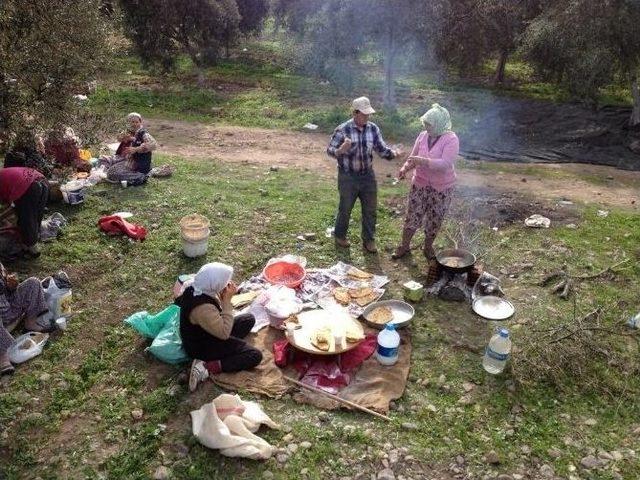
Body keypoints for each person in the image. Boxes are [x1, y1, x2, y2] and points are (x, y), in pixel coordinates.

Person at [326, 96, 400, 253]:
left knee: (370, 209)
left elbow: (381, 149)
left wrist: (393, 153)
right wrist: (340, 150)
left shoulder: (373, 128)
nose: (367, 117)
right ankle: (340, 236)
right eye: (364, 114)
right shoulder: (343, 129)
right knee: (345, 208)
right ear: (355, 112)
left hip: (367, 175)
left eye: (368, 114)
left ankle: (369, 240)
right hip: (347, 176)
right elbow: (330, 150)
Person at [175, 262, 262, 392]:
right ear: (214, 284)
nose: (227, 283)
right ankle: (207, 366)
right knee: (254, 355)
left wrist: (222, 298)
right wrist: (226, 301)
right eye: (224, 282)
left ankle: (225, 351)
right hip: (201, 346)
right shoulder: (202, 308)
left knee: (248, 319)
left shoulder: (196, 286)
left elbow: (216, 315)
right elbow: (224, 333)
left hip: (205, 332)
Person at [392, 103, 459, 260]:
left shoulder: (451, 139)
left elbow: (446, 164)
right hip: (420, 184)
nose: (426, 127)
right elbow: (413, 157)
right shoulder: (422, 136)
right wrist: (405, 168)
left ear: (439, 123)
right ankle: (404, 246)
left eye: (429, 124)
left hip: (442, 188)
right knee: (412, 215)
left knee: (435, 218)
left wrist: (423, 161)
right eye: (425, 124)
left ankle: (428, 247)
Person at [0, 263, 52, 375]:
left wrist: (11, 284)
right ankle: (3, 357)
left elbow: (8, 285)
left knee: (33, 282)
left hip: (10, 304)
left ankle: (30, 322)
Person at [0, 167, 50, 258]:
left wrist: (2, 217)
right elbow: (12, 207)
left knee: (26, 218)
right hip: (42, 180)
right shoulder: (4, 177)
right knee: (36, 215)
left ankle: (31, 249)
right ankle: (32, 241)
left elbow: (12, 208)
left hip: (28, 186)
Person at [100, 112, 157, 185]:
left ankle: (140, 177)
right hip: (122, 157)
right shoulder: (128, 131)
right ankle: (108, 172)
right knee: (103, 160)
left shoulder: (143, 133)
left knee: (112, 173)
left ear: (140, 122)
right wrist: (124, 138)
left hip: (135, 161)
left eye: (137, 122)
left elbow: (153, 144)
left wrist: (136, 149)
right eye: (132, 122)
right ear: (129, 122)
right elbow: (118, 138)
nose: (135, 124)